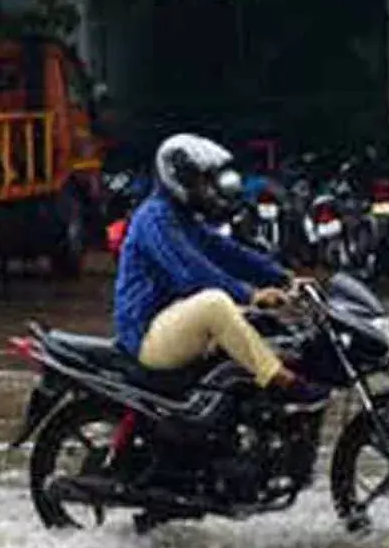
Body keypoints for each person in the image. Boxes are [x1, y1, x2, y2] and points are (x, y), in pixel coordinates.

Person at [113, 133, 328, 404]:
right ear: (181, 179)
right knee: (215, 304)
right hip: (145, 336)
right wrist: (250, 294)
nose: (208, 188)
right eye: (202, 180)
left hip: (171, 320)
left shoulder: (183, 218)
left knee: (259, 323)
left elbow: (230, 253)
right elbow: (191, 273)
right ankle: (279, 380)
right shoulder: (155, 218)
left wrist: (285, 278)